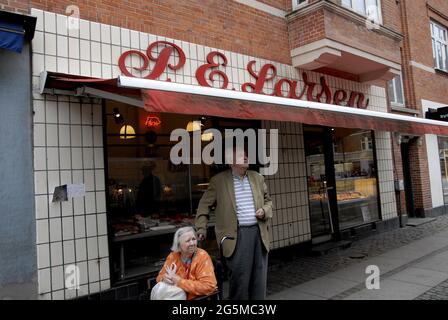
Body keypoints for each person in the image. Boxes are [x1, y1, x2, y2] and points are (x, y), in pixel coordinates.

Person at [195, 147, 273, 300]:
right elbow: (204, 205)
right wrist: (201, 227)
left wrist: (264, 210)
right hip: (236, 237)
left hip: (259, 234)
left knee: (259, 281)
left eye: (246, 154)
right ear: (231, 162)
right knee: (240, 282)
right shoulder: (219, 181)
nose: (245, 157)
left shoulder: (257, 177)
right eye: (240, 156)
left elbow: (268, 201)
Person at [155, 226, 217, 300]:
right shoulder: (173, 256)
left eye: (193, 239)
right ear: (179, 244)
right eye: (188, 241)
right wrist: (163, 278)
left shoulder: (202, 256)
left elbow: (209, 286)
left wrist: (180, 282)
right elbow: (159, 277)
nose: (192, 243)